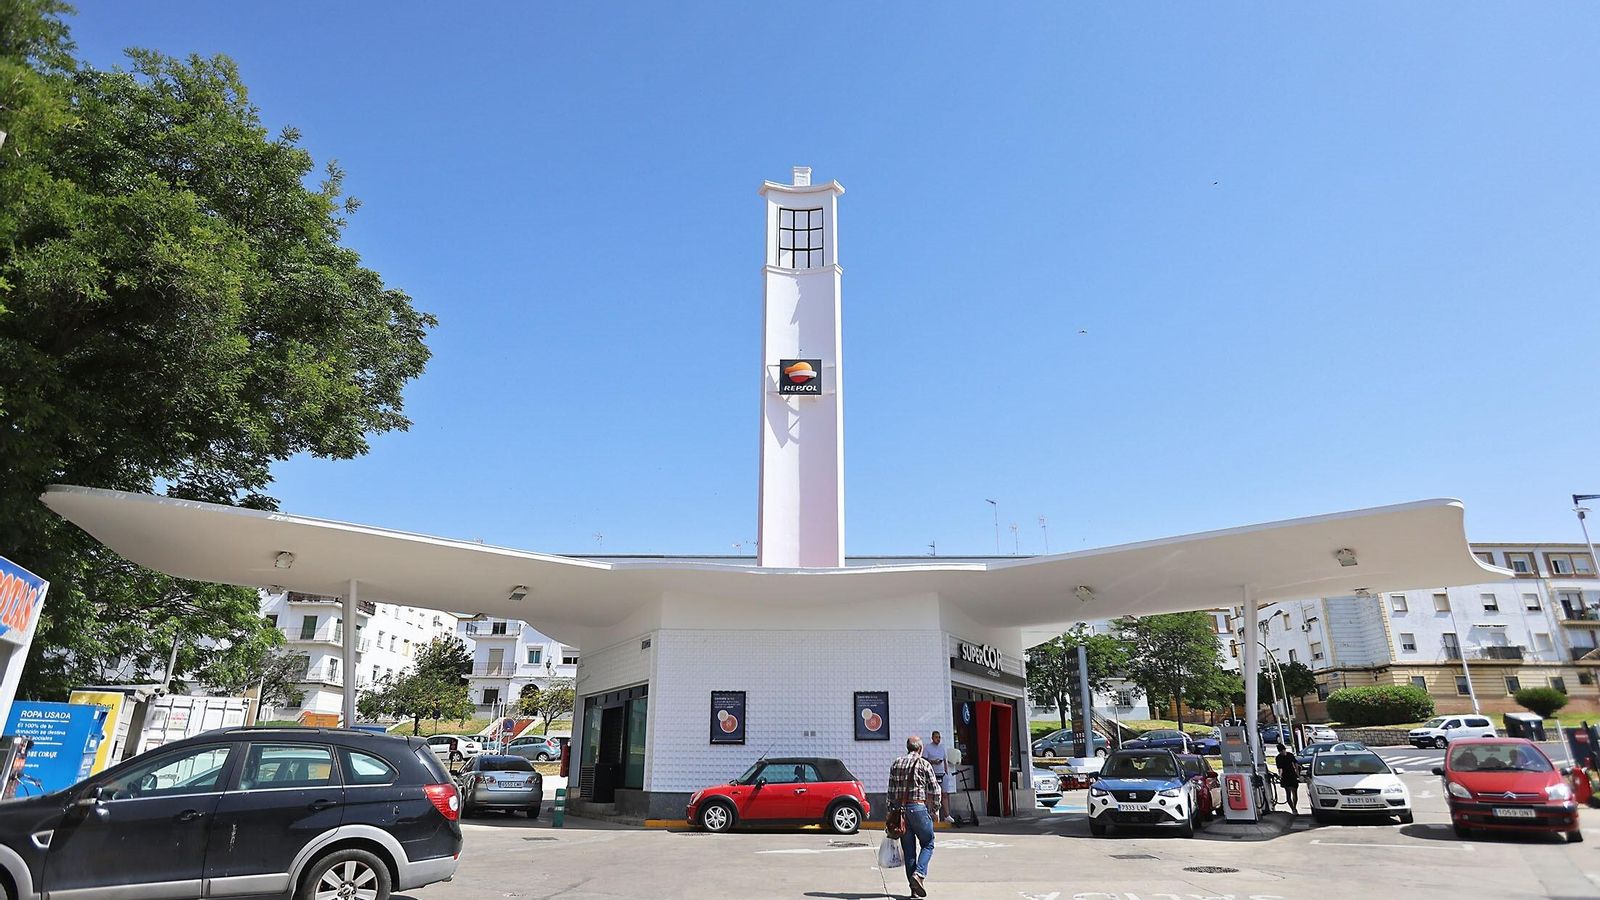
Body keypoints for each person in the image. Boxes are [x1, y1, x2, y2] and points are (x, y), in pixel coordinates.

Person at [888, 735, 940, 898]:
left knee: (909, 851)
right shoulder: (924, 763)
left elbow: (890, 792)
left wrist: (891, 813)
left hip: (900, 810)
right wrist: (935, 809)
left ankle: (914, 891)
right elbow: (936, 789)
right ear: (920, 748)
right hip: (917, 808)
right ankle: (919, 874)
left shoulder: (896, 763)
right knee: (928, 843)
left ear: (907, 748)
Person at [923, 730, 952, 822]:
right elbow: (924, 761)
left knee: (945, 794)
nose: (938, 739)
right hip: (932, 774)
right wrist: (933, 762)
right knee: (931, 795)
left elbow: (944, 761)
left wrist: (946, 772)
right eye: (936, 737)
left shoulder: (942, 748)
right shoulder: (928, 747)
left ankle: (947, 815)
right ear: (932, 738)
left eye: (939, 737)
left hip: (942, 773)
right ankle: (930, 813)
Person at [1274, 742, 1299, 814]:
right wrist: (1280, 775)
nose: (1283, 752)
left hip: (1292, 775)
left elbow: (1295, 764)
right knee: (1288, 793)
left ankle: (1295, 806)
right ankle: (1293, 809)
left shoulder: (1290, 755)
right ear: (1279, 752)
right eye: (1281, 751)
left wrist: (1297, 773)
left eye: (1284, 750)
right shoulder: (1278, 758)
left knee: (1295, 792)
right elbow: (1280, 768)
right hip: (1285, 776)